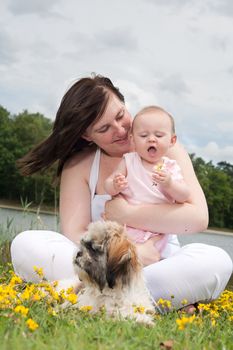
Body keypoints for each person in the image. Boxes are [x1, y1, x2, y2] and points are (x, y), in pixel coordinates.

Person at [11, 74, 232, 311]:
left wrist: (126, 214)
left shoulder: (168, 150)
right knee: (25, 244)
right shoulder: (79, 165)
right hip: (101, 263)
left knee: (216, 261)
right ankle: (141, 300)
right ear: (87, 135)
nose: (120, 129)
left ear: (124, 103)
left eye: (120, 115)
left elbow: (197, 219)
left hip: (158, 265)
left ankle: (90, 294)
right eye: (104, 128)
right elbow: (75, 233)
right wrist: (129, 254)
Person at [104, 106, 190, 261]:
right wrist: (115, 185)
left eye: (159, 135)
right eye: (143, 135)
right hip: (126, 227)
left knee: (159, 260)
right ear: (133, 139)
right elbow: (108, 184)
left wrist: (170, 184)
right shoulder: (129, 161)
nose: (151, 139)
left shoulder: (170, 167)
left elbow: (184, 196)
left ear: (172, 141)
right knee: (116, 255)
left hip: (157, 230)